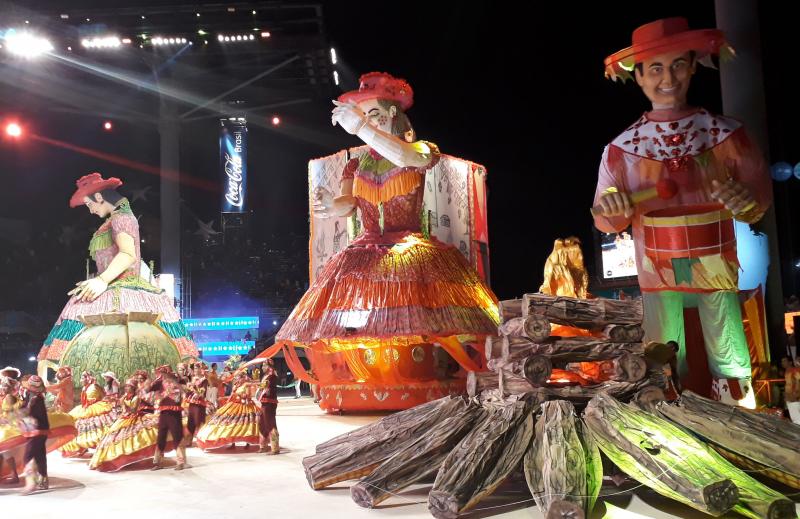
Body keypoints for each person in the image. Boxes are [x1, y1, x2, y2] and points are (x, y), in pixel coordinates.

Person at [593, 18, 772, 406]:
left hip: (714, 251)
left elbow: (758, 197)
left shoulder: (725, 133)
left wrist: (746, 201)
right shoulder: (621, 149)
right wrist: (613, 209)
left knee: (723, 328)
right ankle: (664, 409)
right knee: (661, 335)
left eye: (677, 64)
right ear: (638, 77)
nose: (667, 77)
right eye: (655, 68)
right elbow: (605, 215)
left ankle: (738, 413)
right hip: (656, 259)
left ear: (692, 66)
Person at [36, 173, 198, 383]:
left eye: (89, 204)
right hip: (110, 285)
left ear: (100, 197)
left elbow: (128, 254)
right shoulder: (115, 219)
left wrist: (101, 280)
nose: (91, 209)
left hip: (122, 286)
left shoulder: (123, 218)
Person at [195, 371, 260, 451]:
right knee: (230, 424)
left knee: (246, 424)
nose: (237, 379)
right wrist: (224, 398)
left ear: (243, 378)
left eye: (239, 378)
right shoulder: (235, 386)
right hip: (234, 405)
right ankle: (232, 443)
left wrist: (240, 395)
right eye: (236, 378)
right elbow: (231, 396)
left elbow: (247, 396)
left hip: (244, 406)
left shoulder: (245, 385)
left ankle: (247, 442)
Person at [60, 371, 117, 457]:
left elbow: (102, 395)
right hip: (85, 408)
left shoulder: (95, 386)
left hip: (95, 407)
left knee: (96, 426)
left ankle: (100, 446)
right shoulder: (85, 387)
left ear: (87, 378)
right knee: (78, 425)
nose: (81, 380)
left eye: (83, 378)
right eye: (81, 378)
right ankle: (79, 447)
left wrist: (98, 400)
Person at [150, 369, 187, 471]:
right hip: (163, 413)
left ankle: (180, 462)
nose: (162, 375)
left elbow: (178, 398)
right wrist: (159, 395)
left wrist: (168, 393)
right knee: (161, 437)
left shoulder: (177, 384)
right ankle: (157, 462)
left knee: (177, 436)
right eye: (161, 373)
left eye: (163, 373)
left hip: (174, 413)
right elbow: (151, 390)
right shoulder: (159, 383)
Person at [20, 376, 50, 494]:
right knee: (39, 456)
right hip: (39, 430)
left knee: (28, 456)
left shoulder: (37, 399)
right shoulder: (32, 396)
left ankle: (31, 483)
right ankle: (43, 480)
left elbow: (30, 413)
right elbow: (24, 408)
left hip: (37, 431)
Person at [257, 360, 279, 454]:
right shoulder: (265, 375)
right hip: (264, 402)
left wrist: (259, 385)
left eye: (264, 365)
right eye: (262, 365)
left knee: (270, 424)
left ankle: (275, 448)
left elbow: (266, 386)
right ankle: (263, 445)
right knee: (262, 423)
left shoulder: (272, 375)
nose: (262, 367)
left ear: (269, 366)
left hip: (270, 402)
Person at [186, 363, 209, 442]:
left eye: (197, 368)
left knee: (198, 421)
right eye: (194, 368)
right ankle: (189, 440)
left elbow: (202, 392)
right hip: (192, 402)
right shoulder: (192, 379)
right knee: (190, 421)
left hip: (200, 403)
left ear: (201, 369)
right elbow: (189, 391)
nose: (195, 370)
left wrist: (194, 388)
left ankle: (201, 440)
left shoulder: (204, 379)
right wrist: (189, 387)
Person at [784, 357, 800, 424]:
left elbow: (797, 382)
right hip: (791, 397)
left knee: (797, 420)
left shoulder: (795, 370)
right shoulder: (790, 371)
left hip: (793, 397)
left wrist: (795, 394)